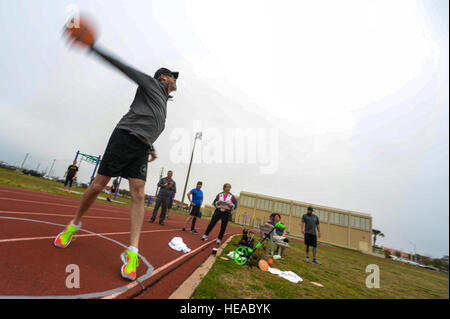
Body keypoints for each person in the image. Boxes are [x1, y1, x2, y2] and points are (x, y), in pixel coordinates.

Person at [54, 18, 179, 281]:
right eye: (173, 76)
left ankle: (132, 250)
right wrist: (92, 47)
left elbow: (150, 122)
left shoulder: (163, 102)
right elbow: (123, 67)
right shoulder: (150, 84)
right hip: (124, 137)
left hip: (142, 147)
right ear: (163, 77)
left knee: (138, 193)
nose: (176, 80)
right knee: (99, 184)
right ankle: (74, 224)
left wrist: (152, 146)